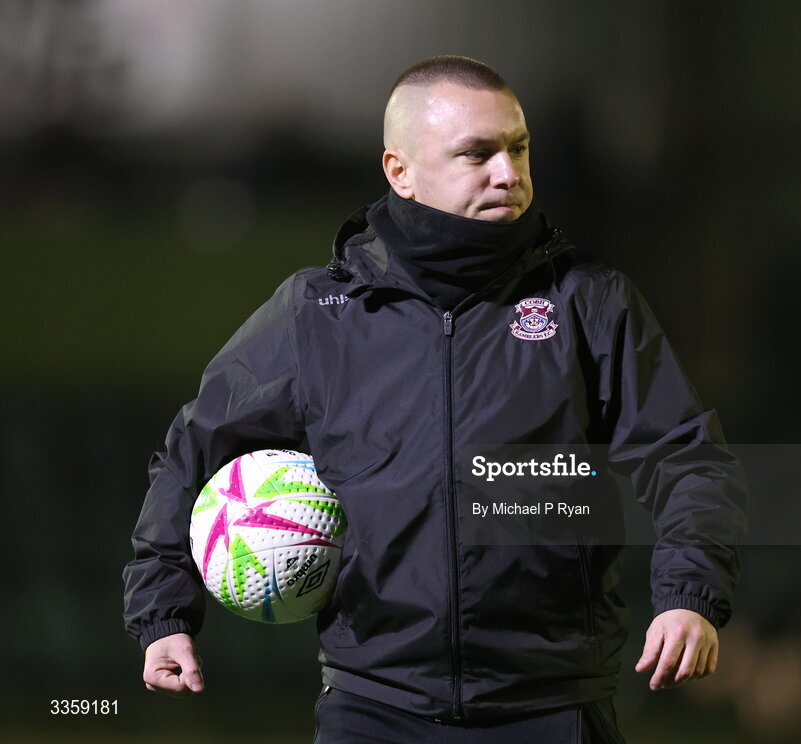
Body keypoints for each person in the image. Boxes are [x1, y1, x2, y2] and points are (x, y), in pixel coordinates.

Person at [123, 55, 747, 743]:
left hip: (551, 708)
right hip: (372, 709)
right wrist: (165, 615)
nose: (508, 173)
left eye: (518, 148)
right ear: (401, 173)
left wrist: (690, 596)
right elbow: (194, 451)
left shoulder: (589, 302)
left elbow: (688, 458)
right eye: (476, 154)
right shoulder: (317, 312)